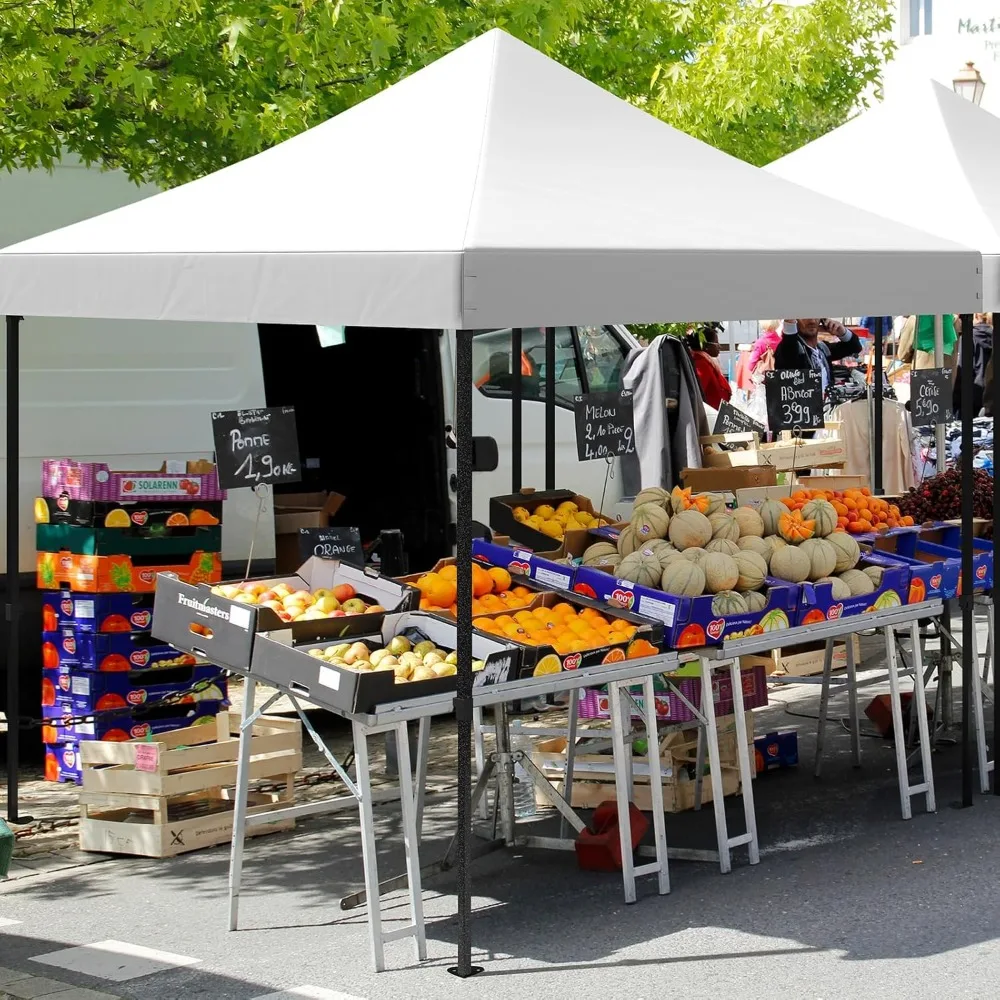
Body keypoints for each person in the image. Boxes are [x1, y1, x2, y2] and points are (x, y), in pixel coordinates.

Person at [772, 318, 863, 394]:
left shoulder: (823, 349)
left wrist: (842, 331)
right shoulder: (789, 350)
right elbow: (789, 346)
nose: (812, 321)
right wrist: (790, 324)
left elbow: (855, 347)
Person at [684, 323, 732, 409]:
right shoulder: (701, 364)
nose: (719, 347)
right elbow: (698, 395)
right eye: (716, 343)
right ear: (706, 346)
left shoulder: (706, 361)